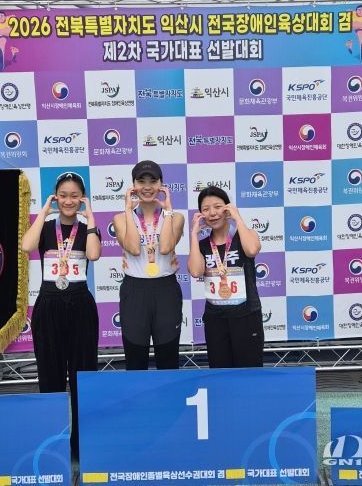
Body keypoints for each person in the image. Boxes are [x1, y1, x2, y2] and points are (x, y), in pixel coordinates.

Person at [21, 171, 101, 458]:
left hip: (80, 306)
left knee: (83, 377)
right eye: (63, 196)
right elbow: (26, 246)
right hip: (49, 306)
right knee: (50, 376)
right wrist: (44, 211)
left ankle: (83, 443)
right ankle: (52, 444)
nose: (69, 201)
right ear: (56, 197)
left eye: (74, 196)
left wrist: (90, 218)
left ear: (82, 198)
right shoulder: (45, 228)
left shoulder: (88, 228)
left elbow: (93, 255)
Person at [112, 160, 185, 370]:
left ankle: (169, 393)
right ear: (133, 185)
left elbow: (166, 247)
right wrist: (128, 210)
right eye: (141, 181)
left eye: (153, 181)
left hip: (165, 289)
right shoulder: (120, 218)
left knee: (168, 358)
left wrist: (168, 211)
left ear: (161, 184)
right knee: (135, 358)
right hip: (135, 290)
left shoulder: (176, 217)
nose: (147, 187)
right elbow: (134, 248)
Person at [187, 186, 264, 368]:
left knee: (250, 372)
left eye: (218, 207)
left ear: (227, 208)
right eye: (206, 209)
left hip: (246, 315)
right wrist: (193, 235)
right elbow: (196, 271)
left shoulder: (245, 235)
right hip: (215, 319)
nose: (212, 213)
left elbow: (252, 250)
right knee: (220, 373)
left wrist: (237, 218)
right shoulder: (203, 245)